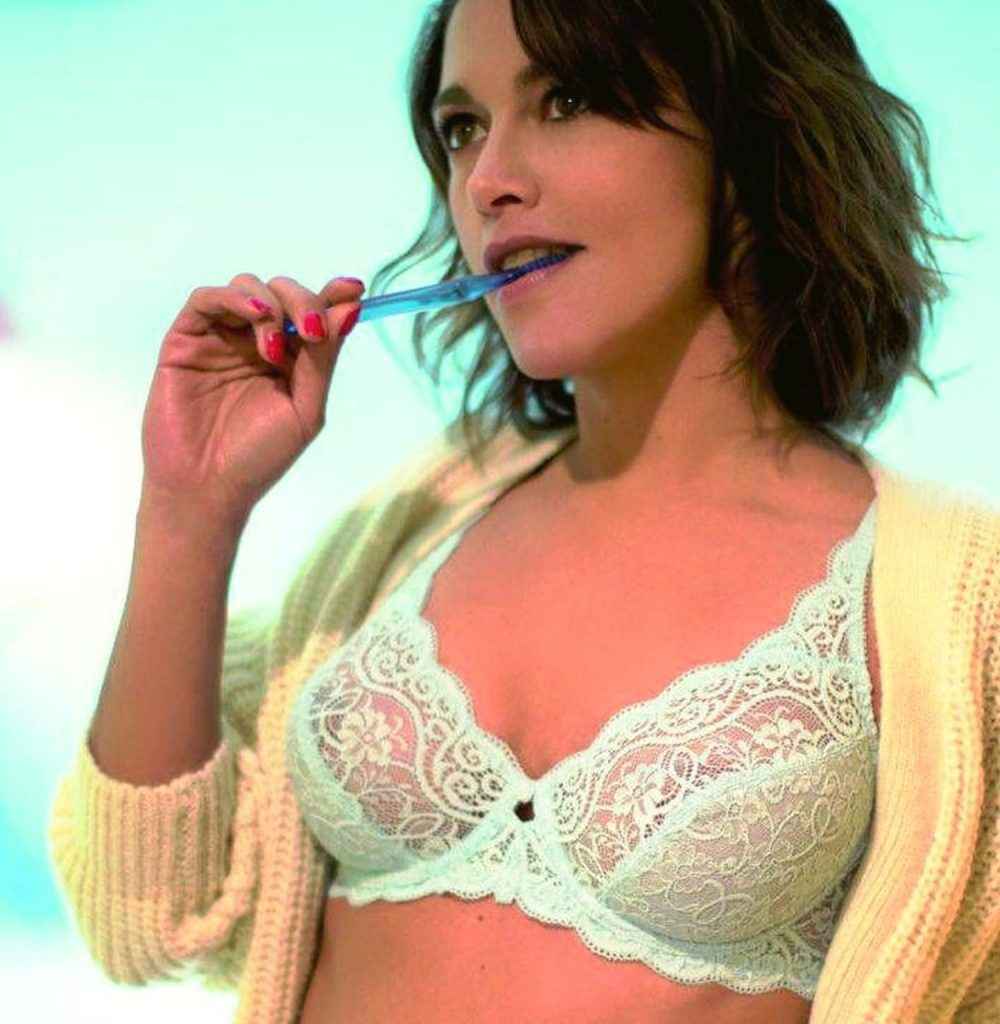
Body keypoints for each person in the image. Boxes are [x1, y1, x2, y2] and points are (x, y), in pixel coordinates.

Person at [48, 1, 999, 1022]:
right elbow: (148, 920)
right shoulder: (413, 523)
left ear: (747, 134)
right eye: (462, 127)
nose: (487, 179)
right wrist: (189, 509)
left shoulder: (954, 610)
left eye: (568, 100)